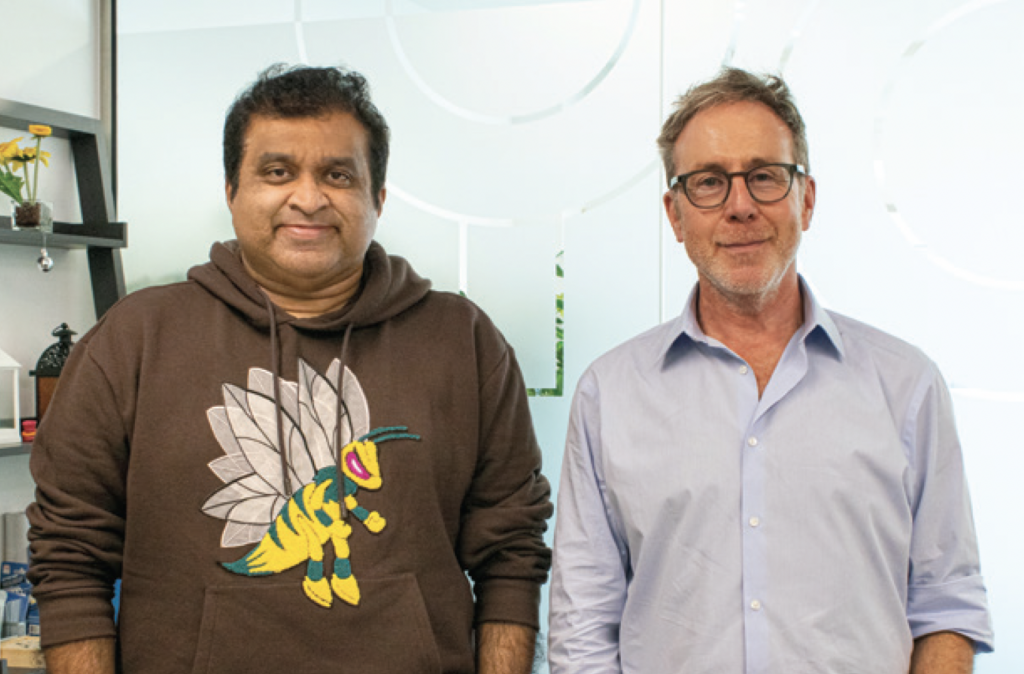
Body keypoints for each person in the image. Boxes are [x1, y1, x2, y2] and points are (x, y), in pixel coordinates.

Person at [27, 64, 552, 674]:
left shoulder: (463, 340)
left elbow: (511, 554)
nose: (308, 197)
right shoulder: (135, 337)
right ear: (232, 191)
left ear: (378, 198)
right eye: (277, 172)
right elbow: (69, 556)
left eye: (338, 175)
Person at [548, 67, 993, 673]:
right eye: (709, 182)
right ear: (675, 215)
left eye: (764, 176)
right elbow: (583, 628)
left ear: (806, 199)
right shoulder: (610, 394)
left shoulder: (907, 385)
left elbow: (946, 604)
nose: (740, 207)